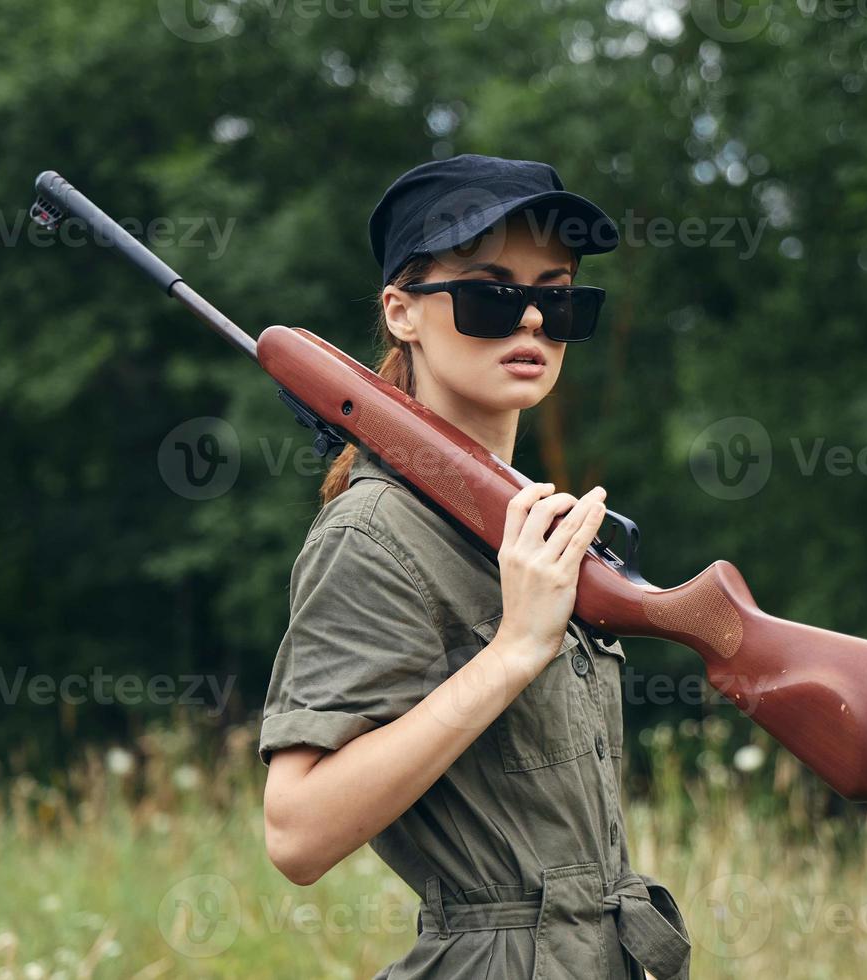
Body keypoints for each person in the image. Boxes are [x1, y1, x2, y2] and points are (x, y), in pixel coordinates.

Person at [259, 153, 691, 979]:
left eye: (557, 297)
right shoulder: (374, 531)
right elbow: (297, 831)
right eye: (492, 293)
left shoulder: (535, 526)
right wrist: (514, 651)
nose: (531, 321)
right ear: (402, 312)